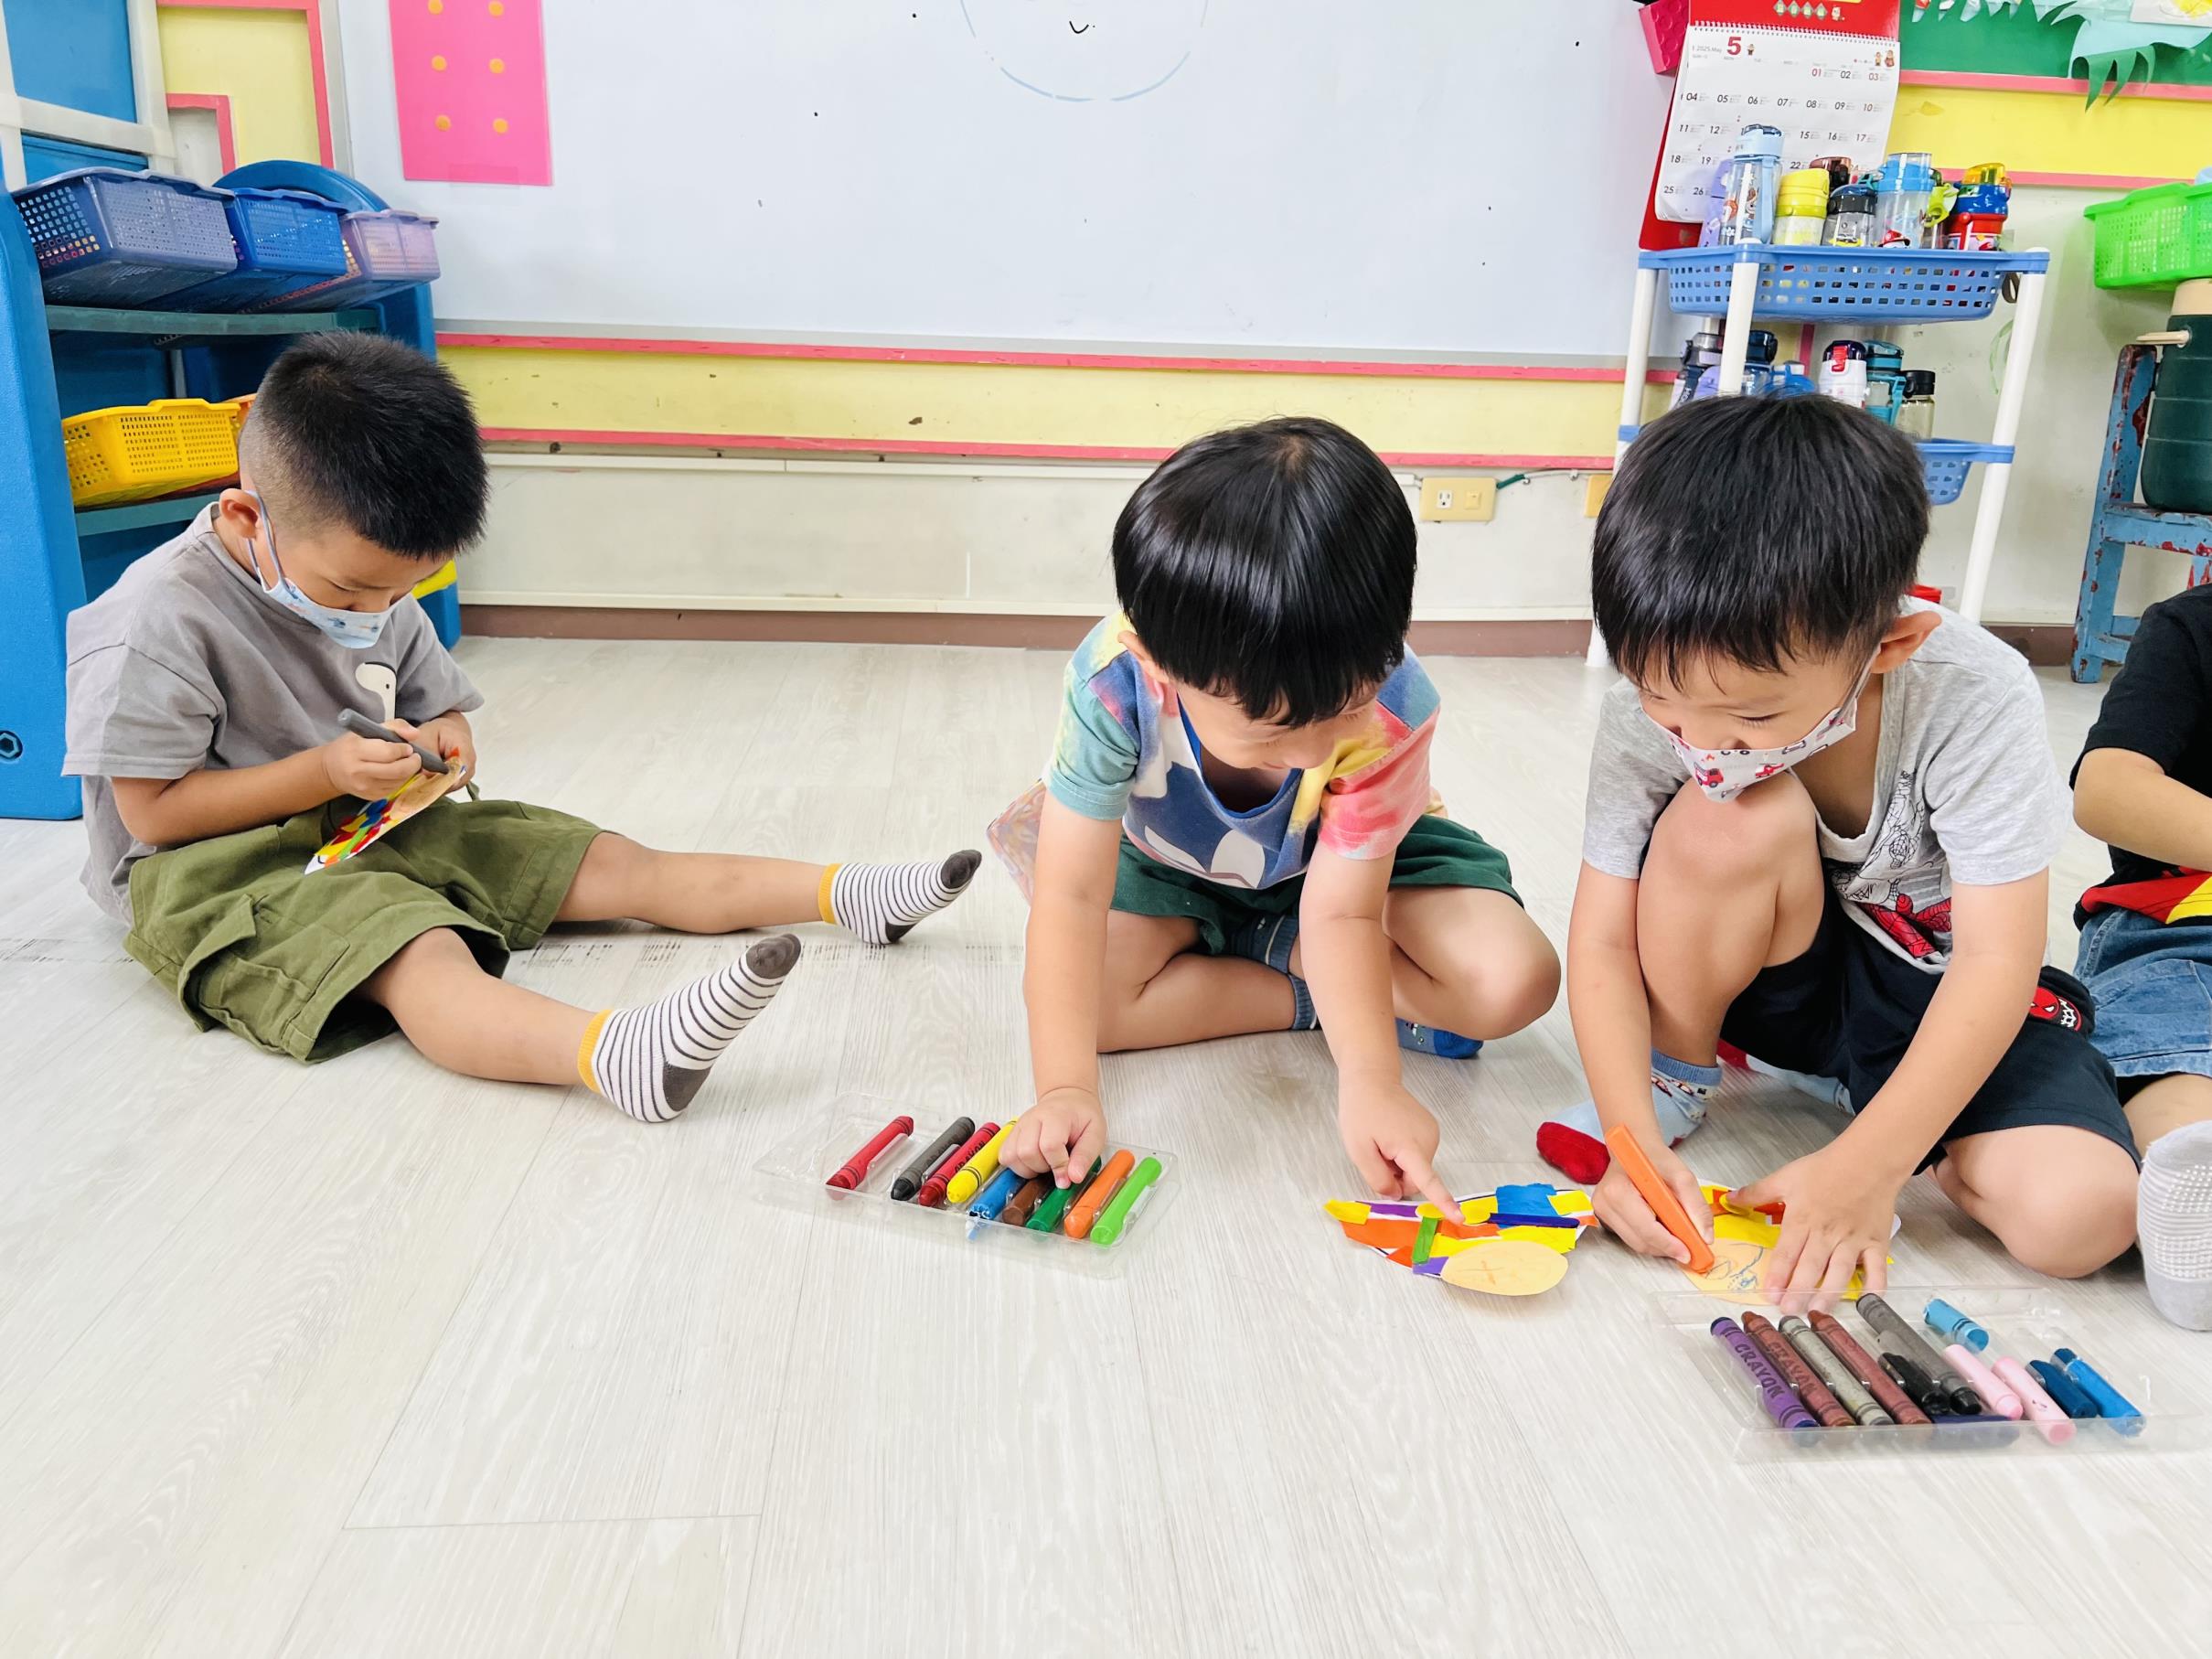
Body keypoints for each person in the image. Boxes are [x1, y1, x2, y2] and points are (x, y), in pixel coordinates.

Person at [64, 332, 977, 1120]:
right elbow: (152, 817)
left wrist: (445, 737)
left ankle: (848, 892)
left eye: (403, 590)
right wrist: (326, 771)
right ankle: (614, 1053)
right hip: (211, 869)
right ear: (244, 514)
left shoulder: (371, 572)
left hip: (360, 817)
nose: (377, 611)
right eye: (353, 591)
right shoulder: (155, 618)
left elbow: (433, 701)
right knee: (415, 945)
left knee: (605, 860)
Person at [1540, 394, 2136, 1300]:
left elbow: (1995, 960)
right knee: (1729, 814)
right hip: (1774, 978)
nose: (1699, 740)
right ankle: (1680, 1073)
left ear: (1889, 644)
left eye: (1750, 716)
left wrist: (1869, 1167)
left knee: (2082, 1218)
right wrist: (1631, 1139)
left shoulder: (1972, 692)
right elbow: (1601, 936)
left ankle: (1893, 1115)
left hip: (1937, 996)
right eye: (1661, 700)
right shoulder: (1661, 691)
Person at [988, 416, 1558, 1208]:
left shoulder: (1393, 705)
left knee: (1512, 982)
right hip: (1171, 867)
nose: (1315, 752)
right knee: (1088, 1012)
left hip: (1355, 876)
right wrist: (1063, 1091)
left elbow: (1345, 914)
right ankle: (1300, 976)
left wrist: (1371, 1083)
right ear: (1158, 662)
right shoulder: (1113, 683)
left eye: (1344, 710)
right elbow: (1071, 896)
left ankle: (1294, 966)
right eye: (1273, 731)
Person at [2068, 584, 2212, 1329]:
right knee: (2182, 1058)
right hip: (2185, 924)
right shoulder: (2191, 628)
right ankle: (2189, 1193)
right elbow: (2106, 791)